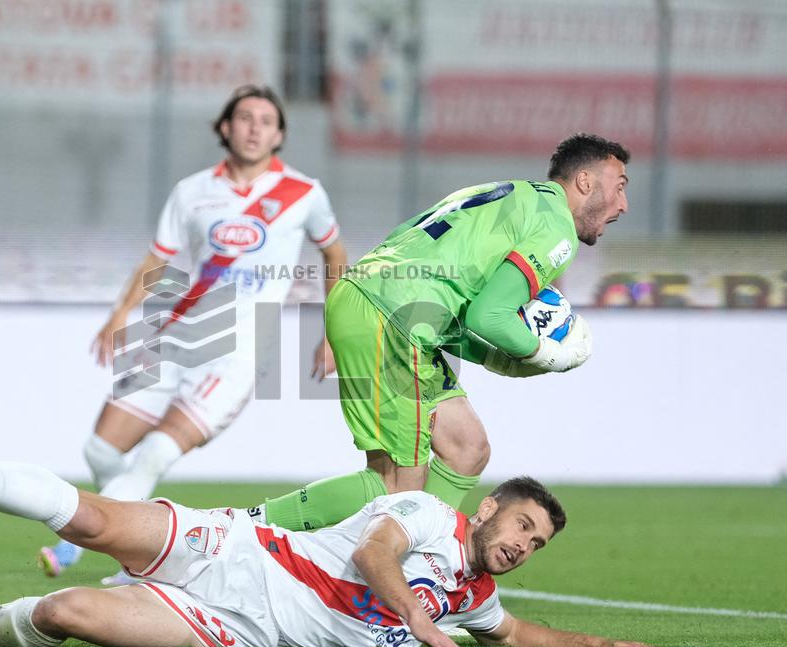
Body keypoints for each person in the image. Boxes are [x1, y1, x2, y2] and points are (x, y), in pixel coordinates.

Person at [0, 450, 657, 647]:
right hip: (240, 549)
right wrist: (415, 616)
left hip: (232, 626)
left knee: (68, 611)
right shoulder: (425, 513)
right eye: (521, 525)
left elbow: (518, 633)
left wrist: (607, 643)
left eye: (536, 542)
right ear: (488, 509)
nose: (523, 544)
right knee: (95, 523)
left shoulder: (474, 601)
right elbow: (378, 552)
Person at [41, 84, 348, 580]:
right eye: (244, 118)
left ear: (280, 135)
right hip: (175, 336)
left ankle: (92, 548)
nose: (254, 128)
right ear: (225, 127)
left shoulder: (304, 194)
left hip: (239, 353)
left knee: (156, 452)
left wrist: (333, 331)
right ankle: (142, 537)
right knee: (99, 450)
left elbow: (334, 254)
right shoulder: (193, 192)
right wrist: (121, 313)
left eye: (266, 121)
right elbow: (159, 258)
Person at [256, 134, 630, 531]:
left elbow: (446, 292)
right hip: (392, 317)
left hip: (386, 306)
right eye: (620, 186)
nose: (623, 204)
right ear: (585, 182)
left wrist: (503, 359)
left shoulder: (505, 193)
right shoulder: (556, 228)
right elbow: (490, 318)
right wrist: (545, 353)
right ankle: (247, 528)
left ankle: (414, 554)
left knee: (466, 447)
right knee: (396, 487)